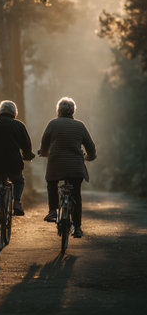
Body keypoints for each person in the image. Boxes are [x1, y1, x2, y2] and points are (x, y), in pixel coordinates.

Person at [39, 96, 96, 238]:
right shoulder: (80, 126)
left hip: (56, 165)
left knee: (51, 183)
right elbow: (91, 148)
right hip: (76, 167)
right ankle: (77, 228)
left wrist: (45, 153)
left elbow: (44, 144)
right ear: (73, 112)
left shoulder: (52, 124)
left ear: (58, 111)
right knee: (76, 194)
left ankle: (52, 210)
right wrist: (88, 157)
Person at [0, 100, 35, 237]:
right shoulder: (18, 125)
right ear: (15, 113)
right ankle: (16, 201)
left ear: (0, 112)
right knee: (19, 180)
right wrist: (27, 155)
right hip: (13, 163)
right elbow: (27, 145)